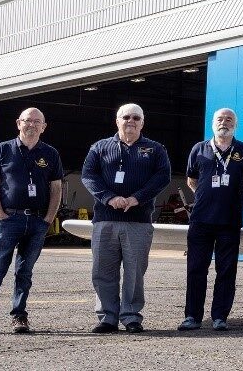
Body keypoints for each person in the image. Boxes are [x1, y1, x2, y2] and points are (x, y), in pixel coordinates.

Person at [0, 107, 64, 336]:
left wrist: (49, 218)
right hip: (9, 219)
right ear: (18, 123)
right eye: (27, 121)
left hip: (38, 221)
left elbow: (56, 188)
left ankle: (19, 317)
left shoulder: (50, 154)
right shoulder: (2, 150)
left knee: (24, 273)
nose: (32, 125)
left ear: (44, 127)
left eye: (37, 121)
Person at [80, 103, 172, 334]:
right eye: (125, 117)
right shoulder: (99, 147)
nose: (130, 121)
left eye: (136, 118)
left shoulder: (155, 149)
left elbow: (162, 177)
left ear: (142, 122)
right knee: (103, 270)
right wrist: (109, 198)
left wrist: (136, 199)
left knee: (135, 272)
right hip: (104, 219)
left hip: (138, 221)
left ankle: (131, 316)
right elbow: (88, 176)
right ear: (117, 121)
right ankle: (107, 317)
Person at [178, 108, 243, 332]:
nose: (224, 122)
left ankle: (220, 316)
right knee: (195, 269)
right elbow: (192, 180)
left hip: (229, 221)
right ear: (213, 123)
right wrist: (207, 197)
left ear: (235, 125)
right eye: (220, 119)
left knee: (226, 270)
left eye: (229, 119)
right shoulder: (199, 149)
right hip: (201, 220)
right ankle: (192, 316)